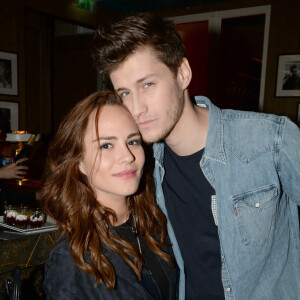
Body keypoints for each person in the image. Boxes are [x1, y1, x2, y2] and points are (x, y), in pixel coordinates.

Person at [93, 12, 300, 300]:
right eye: (125, 92)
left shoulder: (271, 140)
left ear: (182, 74)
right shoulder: (145, 166)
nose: (136, 108)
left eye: (147, 85)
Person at [42, 91, 178, 299]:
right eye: (106, 145)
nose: (127, 156)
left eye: (133, 141)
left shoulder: (157, 223)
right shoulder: (72, 260)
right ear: (79, 162)